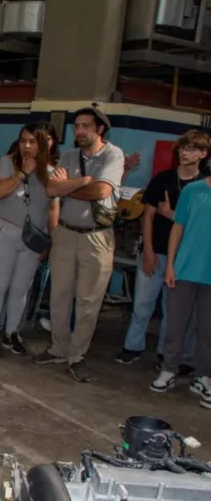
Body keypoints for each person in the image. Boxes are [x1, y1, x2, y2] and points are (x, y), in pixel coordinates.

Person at [34, 107, 124, 383]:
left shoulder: (113, 155)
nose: (80, 131)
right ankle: (59, 347)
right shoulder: (71, 156)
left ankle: (77, 355)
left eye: (86, 126)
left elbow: (101, 191)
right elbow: (51, 189)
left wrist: (70, 185)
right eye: (77, 126)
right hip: (65, 233)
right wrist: (83, 181)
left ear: (100, 130)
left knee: (88, 300)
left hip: (96, 237)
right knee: (59, 295)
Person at [116, 130, 209, 371]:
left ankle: (165, 355)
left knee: (176, 312)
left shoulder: (204, 185)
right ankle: (132, 347)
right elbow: (147, 216)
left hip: (184, 258)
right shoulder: (163, 179)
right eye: (181, 148)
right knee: (142, 304)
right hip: (156, 250)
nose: (184, 152)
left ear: (203, 153)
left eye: (190, 149)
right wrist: (147, 250)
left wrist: (169, 214)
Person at [0, 123, 57, 356]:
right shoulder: (8, 162)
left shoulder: (52, 172)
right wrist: (22, 172)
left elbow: (53, 208)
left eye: (33, 141)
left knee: (20, 289)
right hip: (4, 231)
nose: (26, 146)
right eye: (23, 140)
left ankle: (12, 332)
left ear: (46, 143)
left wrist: (51, 240)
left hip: (33, 238)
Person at [152, 172, 211, 409]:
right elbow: (178, 227)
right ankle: (168, 370)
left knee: (208, 331)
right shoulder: (193, 191)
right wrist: (170, 265)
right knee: (175, 325)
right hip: (185, 269)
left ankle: (205, 377)